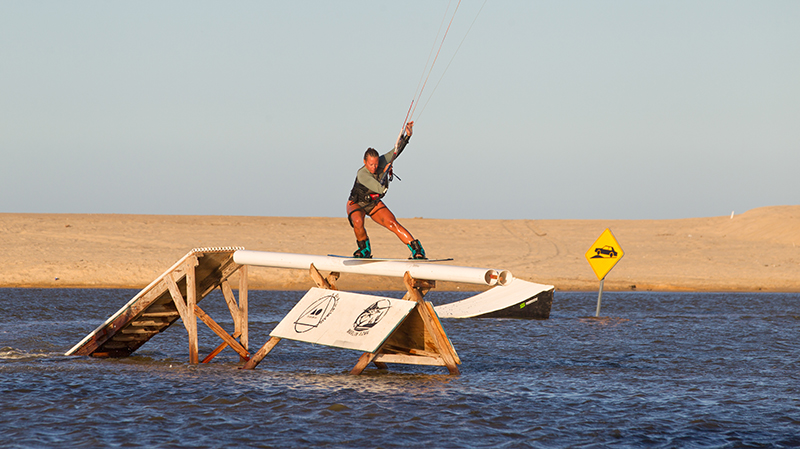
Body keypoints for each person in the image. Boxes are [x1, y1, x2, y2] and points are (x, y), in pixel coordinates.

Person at [346, 121, 426, 259]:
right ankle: (364, 249)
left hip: (373, 203)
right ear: (365, 162)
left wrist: (407, 136)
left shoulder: (380, 162)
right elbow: (380, 189)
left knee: (392, 223)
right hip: (357, 203)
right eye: (371, 164)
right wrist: (386, 173)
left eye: (376, 164)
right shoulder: (362, 174)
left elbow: (395, 152)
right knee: (358, 222)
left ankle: (417, 250)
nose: (374, 167)